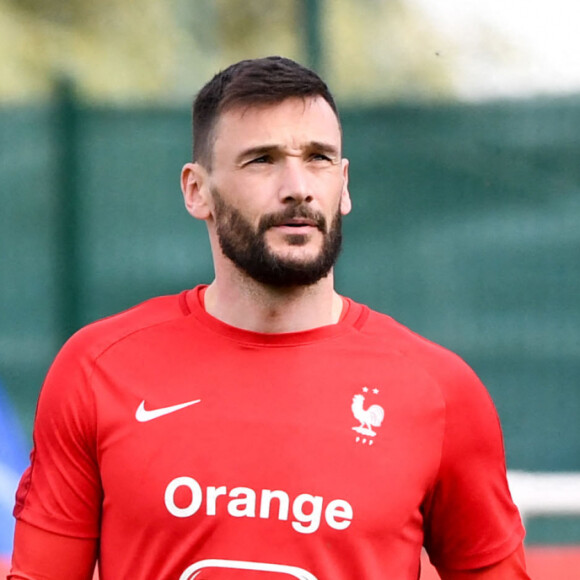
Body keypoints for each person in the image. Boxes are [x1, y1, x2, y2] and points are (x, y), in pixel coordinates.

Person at [10, 56, 529, 579]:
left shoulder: (440, 393)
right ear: (197, 191)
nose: (297, 186)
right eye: (262, 160)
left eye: (319, 158)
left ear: (344, 184)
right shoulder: (97, 369)